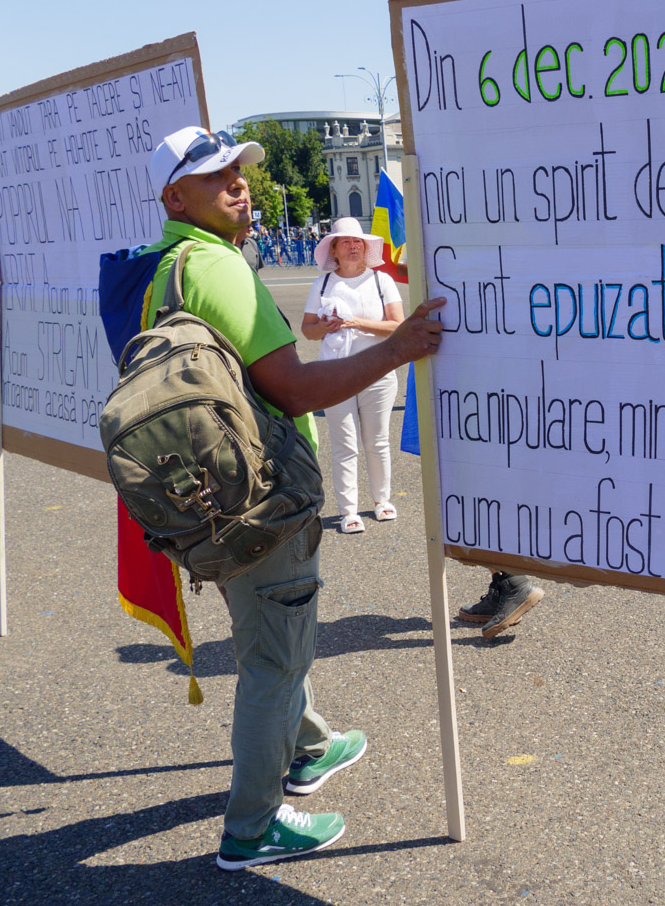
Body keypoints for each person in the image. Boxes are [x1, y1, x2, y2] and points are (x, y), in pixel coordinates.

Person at [103, 126, 444, 869]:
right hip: (260, 498)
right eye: (215, 175)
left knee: (269, 627)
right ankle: (252, 827)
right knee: (274, 659)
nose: (238, 183)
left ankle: (312, 747)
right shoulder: (218, 267)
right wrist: (398, 348)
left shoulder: (161, 270)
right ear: (175, 196)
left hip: (204, 505)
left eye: (239, 171)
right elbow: (291, 384)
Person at [303, 219, 404, 533]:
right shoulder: (322, 284)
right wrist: (325, 327)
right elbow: (308, 330)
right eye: (344, 241)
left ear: (366, 248)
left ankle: (382, 500)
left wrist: (355, 323)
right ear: (333, 248)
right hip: (334, 374)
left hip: (377, 371)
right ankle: (348, 511)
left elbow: (397, 325)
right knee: (345, 444)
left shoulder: (380, 281)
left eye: (357, 242)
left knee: (377, 441)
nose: (352, 246)